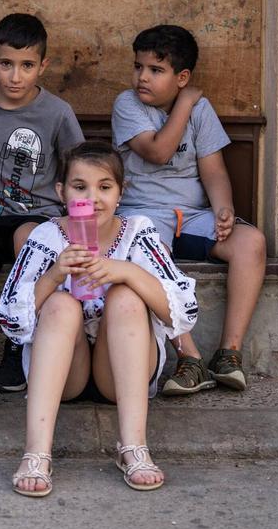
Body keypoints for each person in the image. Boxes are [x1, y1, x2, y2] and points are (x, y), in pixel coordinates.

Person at [0, 141, 199, 496]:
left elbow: (182, 312)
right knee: (61, 305)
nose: (93, 198)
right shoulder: (46, 236)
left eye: (105, 187)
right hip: (66, 375)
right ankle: (36, 453)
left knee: (125, 296)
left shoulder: (138, 232)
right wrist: (56, 275)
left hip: (120, 376)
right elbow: (10, 319)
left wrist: (125, 271)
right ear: (61, 192)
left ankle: (133, 447)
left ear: (121, 192)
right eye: (80, 187)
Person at [112, 25, 267, 395]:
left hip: (191, 216)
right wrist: (184, 103)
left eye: (155, 70)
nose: (142, 77)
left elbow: (213, 169)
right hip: (144, 215)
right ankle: (189, 358)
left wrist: (224, 208)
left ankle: (228, 353)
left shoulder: (202, 109)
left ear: (182, 77)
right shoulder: (128, 105)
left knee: (252, 243)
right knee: (151, 258)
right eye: (138, 67)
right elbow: (157, 151)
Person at [0, 13, 83, 404]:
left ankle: (15, 349)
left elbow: (78, 167)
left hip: (37, 215)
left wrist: (74, 220)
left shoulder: (57, 112)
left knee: (28, 238)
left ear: (42, 66)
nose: (15, 76)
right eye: (6, 64)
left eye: (26, 66)